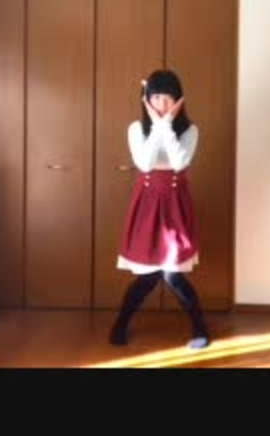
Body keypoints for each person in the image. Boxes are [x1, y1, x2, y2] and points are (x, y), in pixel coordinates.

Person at [109, 69, 210, 349]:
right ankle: (120, 324)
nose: (161, 104)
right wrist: (159, 126)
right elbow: (144, 163)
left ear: (178, 100)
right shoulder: (136, 129)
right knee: (148, 276)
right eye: (155, 98)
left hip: (175, 205)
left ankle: (200, 327)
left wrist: (165, 126)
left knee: (173, 274)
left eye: (167, 98)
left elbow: (179, 163)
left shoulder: (190, 130)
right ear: (146, 100)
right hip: (147, 205)